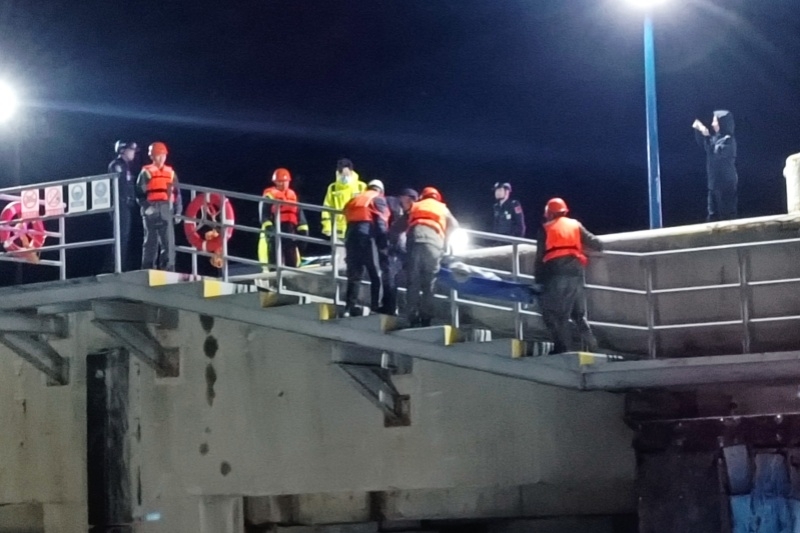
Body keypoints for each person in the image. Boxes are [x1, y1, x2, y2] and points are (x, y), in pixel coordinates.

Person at [534, 198, 603, 354]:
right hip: (576, 270)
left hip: (556, 272)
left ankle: (562, 348)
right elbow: (597, 243)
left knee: (556, 314)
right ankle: (592, 346)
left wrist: (538, 281)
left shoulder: (545, 229)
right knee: (578, 314)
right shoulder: (575, 225)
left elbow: (539, 258)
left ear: (549, 213)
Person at [405, 187, 458, 327]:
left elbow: (401, 224)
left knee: (413, 282)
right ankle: (426, 319)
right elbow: (454, 225)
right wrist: (445, 241)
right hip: (434, 246)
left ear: (422, 196)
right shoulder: (442, 208)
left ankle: (412, 317)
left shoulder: (416, 205)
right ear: (437, 197)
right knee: (429, 284)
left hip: (414, 243)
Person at [342, 180, 389, 316]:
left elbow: (345, 212)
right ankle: (375, 307)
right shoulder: (377, 198)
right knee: (376, 273)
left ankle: (349, 308)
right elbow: (381, 223)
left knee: (354, 275)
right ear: (381, 190)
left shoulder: (355, 198)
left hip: (351, 237)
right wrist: (383, 245)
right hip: (367, 237)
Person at [136, 142, 182, 271]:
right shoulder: (146, 172)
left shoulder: (171, 173)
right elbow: (139, 193)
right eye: (158, 155)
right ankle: (148, 268)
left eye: (163, 155)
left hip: (166, 207)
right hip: (151, 207)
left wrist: (178, 211)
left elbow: (177, 193)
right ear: (152, 156)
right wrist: (147, 207)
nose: (161, 158)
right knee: (151, 240)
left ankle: (168, 268)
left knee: (168, 241)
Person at [258, 168, 309, 270]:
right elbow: (264, 215)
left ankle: (292, 276)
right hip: (276, 229)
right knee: (275, 259)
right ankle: (274, 276)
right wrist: (269, 228)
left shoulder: (292, 195)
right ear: (275, 182)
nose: (283, 184)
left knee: (292, 258)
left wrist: (303, 229)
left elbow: (299, 213)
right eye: (280, 181)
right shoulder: (269, 196)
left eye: (285, 181)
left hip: (290, 230)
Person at [693, 110, 739, 221]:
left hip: (726, 184)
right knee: (712, 214)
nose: (713, 124)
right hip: (713, 183)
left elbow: (717, 152)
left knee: (727, 214)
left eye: (715, 121)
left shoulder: (728, 140)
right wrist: (699, 129)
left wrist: (708, 136)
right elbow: (704, 145)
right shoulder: (715, 137)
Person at [382, 188, 419, 315]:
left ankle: (403, 310)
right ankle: (393, 308)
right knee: (392, 278)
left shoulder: (412, 210)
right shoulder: (392, 202)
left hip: (405, 249)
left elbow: (397, 228)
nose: (412, 203)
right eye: (410, 199)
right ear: (404, 197)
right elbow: (395, 228)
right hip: (397, 249)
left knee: (400, 279)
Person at [107, 140, 140, 272]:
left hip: (126, 205)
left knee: (125, 236)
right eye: (131, 150)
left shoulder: (126, 167)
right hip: (119, 204)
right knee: (120, 235)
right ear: (122, 150)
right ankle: (115, 265)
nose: (133, 153)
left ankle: (121, 264)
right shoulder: (116, 165)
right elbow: (119, 186)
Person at [321, 158, 367, 240]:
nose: (345, 177)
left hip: (356, 228)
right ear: (338, 173)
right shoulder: (333, 188)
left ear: (351, 172)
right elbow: (327, 208)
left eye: (347, 174)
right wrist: (327, 227)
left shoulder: (361, 186)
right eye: (343, 174)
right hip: (338, 230)